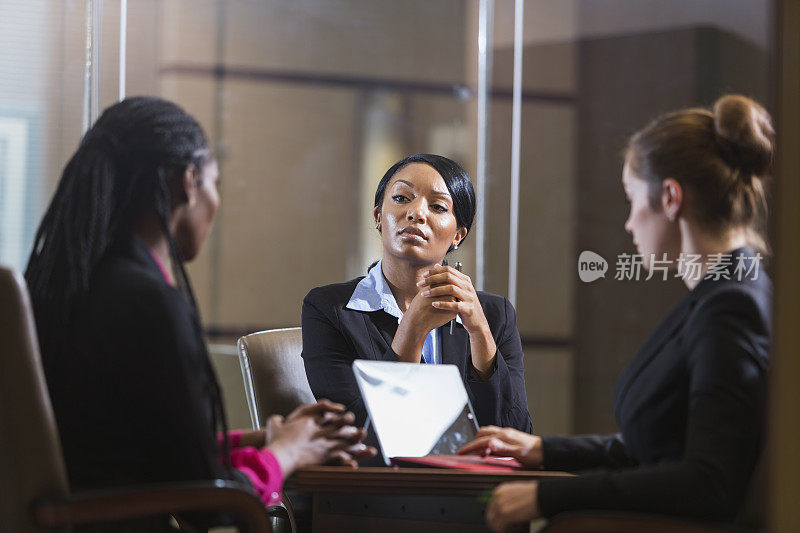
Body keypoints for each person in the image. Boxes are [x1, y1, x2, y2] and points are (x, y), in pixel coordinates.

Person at [25, 97, 373, 531]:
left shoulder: (69, 288)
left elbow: (139, 454)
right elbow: (206, 502)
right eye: (214, 182)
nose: (216, 200)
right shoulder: (148, 302)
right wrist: (289, 454)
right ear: (188, 182)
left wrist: (266, 440)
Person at [458, 94, 773, 531]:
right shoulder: (723, 294)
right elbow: (662, 447)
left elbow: (709, 481)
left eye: (631, 198)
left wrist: (546, 495)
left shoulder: (730, 306)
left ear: (669, 197)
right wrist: (545, 451)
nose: (629, 223)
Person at [301, 154, 532, 433]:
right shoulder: (330, 309)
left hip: (471, 477)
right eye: (401, 198)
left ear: (458, 235)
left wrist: (480, 332)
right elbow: (358, 434)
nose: (416, 213)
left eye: (437, 206)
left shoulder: (496, 315)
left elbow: (516, 434)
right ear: (377, 216)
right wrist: (412, 328)